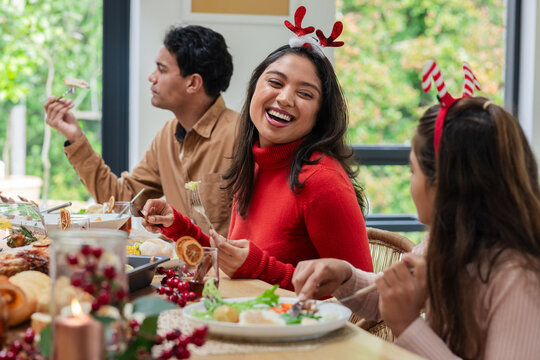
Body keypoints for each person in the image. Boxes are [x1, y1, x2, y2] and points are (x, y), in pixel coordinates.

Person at [292, 95, 540, 358]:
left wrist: (407, 325)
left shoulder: (520, 276)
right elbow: (386, 298)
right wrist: (345, 277)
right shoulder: (446, 239)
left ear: (443, 184)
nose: (411, 183)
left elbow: (400, 312)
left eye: (413, 170)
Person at [142, 10, 373, 290]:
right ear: (254, 89)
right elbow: (234, 261)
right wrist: (177, 225)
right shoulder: (253, 162)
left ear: (319, 115)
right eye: (275, 82)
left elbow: (361, 296)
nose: (285, 98)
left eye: (305, 94)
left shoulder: (323, 181)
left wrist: (261, 267)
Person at [43, 25, 238, 236]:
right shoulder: (167, 136)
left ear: (193, 83)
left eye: (162, 69)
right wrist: (75, 138)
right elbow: (123, 199)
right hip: (180, 266)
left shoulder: (241, 136)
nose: (151, 77)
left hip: (226, 269)